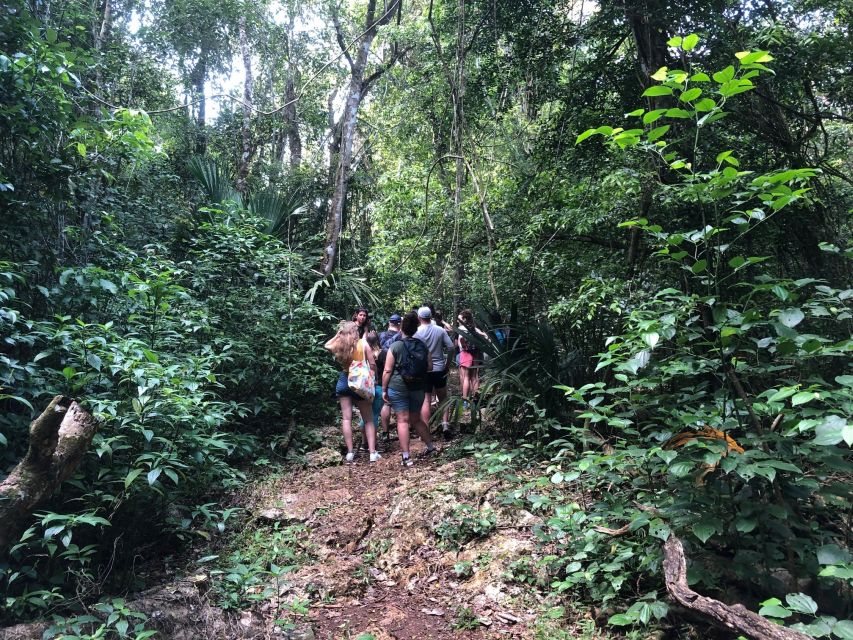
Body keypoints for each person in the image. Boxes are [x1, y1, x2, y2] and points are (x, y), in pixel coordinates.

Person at [382, 311, 436, 466]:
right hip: (418, 387)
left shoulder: (396, 346)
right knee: (416, 419)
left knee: (402, 420)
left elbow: (387, 371)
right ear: (415, 328)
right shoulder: (422, 346)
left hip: (398, 387)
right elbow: (430, 367)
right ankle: (431, 447)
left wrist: (384, 389)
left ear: (402, 328)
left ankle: (406, 457)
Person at [324, 320, 381, 463]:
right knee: (368, 419)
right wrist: (372, 379)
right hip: (360, 382)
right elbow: (372, 364)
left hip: (344, 380)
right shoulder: (363, 343)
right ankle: (372, 453)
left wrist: (338, 335)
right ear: (356, 331)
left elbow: (326, 345)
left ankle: (350, 453)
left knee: (347, 419)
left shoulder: (341, 344)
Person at [415, 306, 455, 440]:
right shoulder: (440, 330)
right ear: (430, 316)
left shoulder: (416, 332)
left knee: (426, 399)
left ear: (419, 317)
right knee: (443, 398)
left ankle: (426, 430)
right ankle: (445, 425)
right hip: (439, 369)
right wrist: (447, 364)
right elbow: (450, 347)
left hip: (424, 370)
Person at [457, 309, 489, 407]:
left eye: (460, 319)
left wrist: (463, 345)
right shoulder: (474, 328)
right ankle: (476, 400)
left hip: (466, 353)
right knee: (475, 377)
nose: (458, 320)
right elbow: (485, 336)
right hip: (475, 353)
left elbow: (461, 339)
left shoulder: (462, 328)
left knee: (466, 377)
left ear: (465, 319)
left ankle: (465, 401)